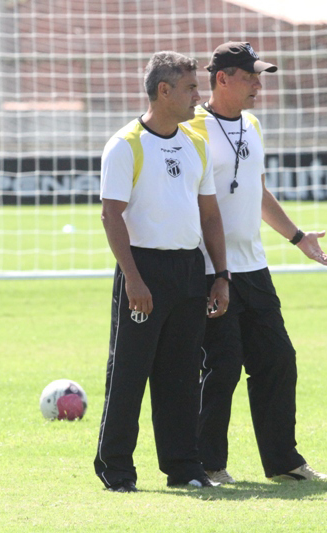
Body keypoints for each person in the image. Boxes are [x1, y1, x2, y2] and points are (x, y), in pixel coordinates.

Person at [187, 42, 327, 484]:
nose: (258, 84)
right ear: (222, 79)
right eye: (250, 76)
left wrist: (297, 237)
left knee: (278, 359)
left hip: (254, 267)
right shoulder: (191, 127)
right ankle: (208, 465)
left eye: (260, 76)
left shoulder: (251, 124)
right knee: (222, 365)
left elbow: (257, 191)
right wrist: (214, 270)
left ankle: (284, 463)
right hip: (210, 269)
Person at [94, 51, 230, 493]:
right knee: (129, 373)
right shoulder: (125, 144)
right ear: (164, 91)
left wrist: (220, 274)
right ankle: (116, 470)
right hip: (144, 268)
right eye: (190, 87)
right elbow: (111, 215)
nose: (198, 95)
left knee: (181, 376)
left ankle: (184, 468)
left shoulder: (195, 142)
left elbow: (209, 215)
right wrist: (133, 278)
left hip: (190, 268)